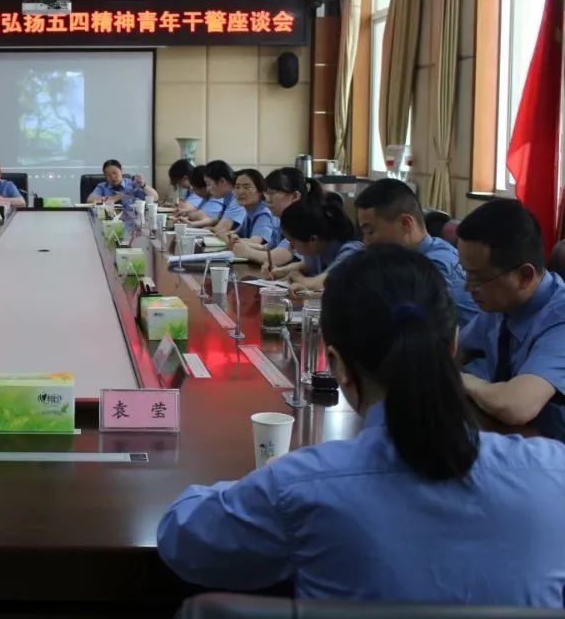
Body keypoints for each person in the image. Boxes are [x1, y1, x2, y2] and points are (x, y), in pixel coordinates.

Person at [157, 245, 565, 605]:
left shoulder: (301, 486)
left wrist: (264, 479)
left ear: (337, 366)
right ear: (454, 344)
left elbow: (181, 538)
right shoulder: (554, 471)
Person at [457, 199, 565, 441]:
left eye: (477, 278)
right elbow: (457, 350)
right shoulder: (501, 301)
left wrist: (461, 380)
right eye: (466, 273)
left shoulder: (560, 318)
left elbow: (516, 406)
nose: (467, 287)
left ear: (524, 276)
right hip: (510, 440)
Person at [354, 178, 478, 326]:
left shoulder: (431, 269)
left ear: (405, 223)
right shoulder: (432, 249)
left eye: (370, 232)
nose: (366, 242)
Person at [271, 192, 362, 294]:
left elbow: (321, 283)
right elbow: (306, 265)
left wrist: (297, 277)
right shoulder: (319, 247)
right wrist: (282, 271)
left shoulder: (351, 252)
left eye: (292, 240)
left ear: (313, 240)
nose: (291, 246)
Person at [231, 167, 321, 267]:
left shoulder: (302, 221)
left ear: (295, 196)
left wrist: (247, 252)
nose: (267, 199)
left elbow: (275, 258)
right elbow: (268, 247)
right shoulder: (284, 220)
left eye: (272, 193)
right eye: (267, 193)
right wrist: (241, 244)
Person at [179, 161, 245, 232]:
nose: (207, 189)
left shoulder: (237, 198)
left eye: (208, 184)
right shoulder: (227, 197)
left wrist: (209, 228)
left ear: (222, 181)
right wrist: (193, 224)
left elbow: (221, 229)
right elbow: (218, 219)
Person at [224, 169, 278, 248]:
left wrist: (230, 238)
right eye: (237, 187)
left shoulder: (264, 213)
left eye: (247, 188)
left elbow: (255, 242)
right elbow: (234, 234)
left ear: (261, 191)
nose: (240, 191)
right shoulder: (250, 212)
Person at [86, 159, 159, 206]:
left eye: (115, 173)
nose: (112, 177)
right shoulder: (102, 186)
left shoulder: (132, 184)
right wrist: (115, 198)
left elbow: (155, 198)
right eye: (108, 175)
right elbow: (89, 200)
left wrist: (143, 185)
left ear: (121, 171)